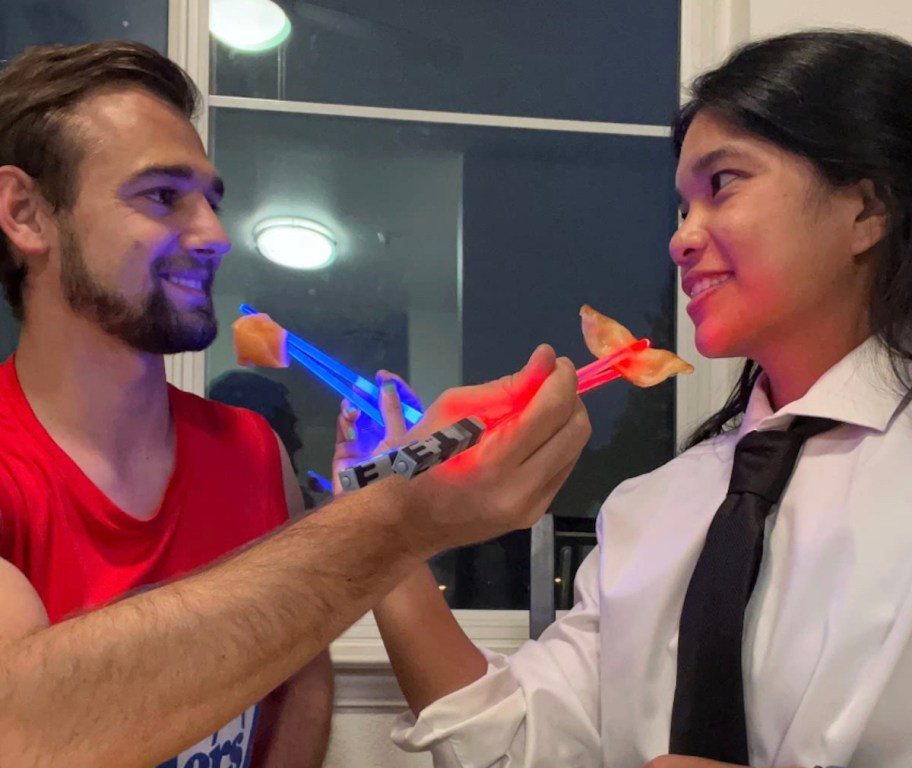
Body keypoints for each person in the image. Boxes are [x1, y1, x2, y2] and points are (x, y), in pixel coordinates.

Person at [0, 40, 592, 768]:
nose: (214, 235)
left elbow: (299, 680)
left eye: (212, 201)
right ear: (25, 213)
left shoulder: (250, 450)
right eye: (161, 196)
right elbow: (21, 728)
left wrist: (383, 491)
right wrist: (398, 517)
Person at [363, 29, 912, 768]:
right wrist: (386, 530)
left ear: (866, 211)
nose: (681, 239)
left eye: (723, 184)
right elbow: (516, 745)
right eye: (682, 206)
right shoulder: (654, 510)